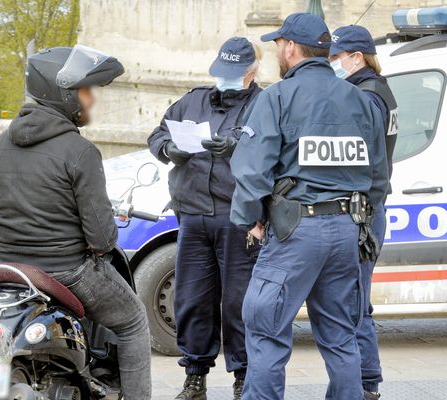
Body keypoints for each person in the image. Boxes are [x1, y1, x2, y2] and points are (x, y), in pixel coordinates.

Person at [229, 13, 388, 400]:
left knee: (266, 331)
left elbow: (252, 171)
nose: (277, 52)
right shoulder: (361, 99)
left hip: (294, 233)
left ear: (290, 48)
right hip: (345, 231)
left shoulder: (278, 97)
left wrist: (250, 219)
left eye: (278, 45)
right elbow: (379, 177)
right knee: (341, 337)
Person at [0, 46, 152, 399]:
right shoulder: (80, 152)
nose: (91, 100)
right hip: (66, 272)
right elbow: (102, 239)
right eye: (86, 91)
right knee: (133, 322)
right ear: (65, 95)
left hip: (7, 271)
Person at [147, 37, 262, 400]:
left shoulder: (264, 104)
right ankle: (194, 377)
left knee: (239, 303)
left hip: (239, 218)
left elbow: (277, 151)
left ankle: (244, 377)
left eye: (233, 74)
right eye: (221, 73)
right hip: (194, 215)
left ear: (251, 72)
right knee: (193, 300)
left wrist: (238, 148)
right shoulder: (193, 99)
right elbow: (157, 134)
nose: (224, 80)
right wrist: (169, 148)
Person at [330, 25, 399, 400]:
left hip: (363, 211)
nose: (332, 63)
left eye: (336, 57)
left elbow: (365, 161)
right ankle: (365, 379)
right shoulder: (376, 89)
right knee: (356, 299)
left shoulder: (366, 97)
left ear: (357, 57)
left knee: (352, 302)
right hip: (369, 208)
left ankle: (365, 385)